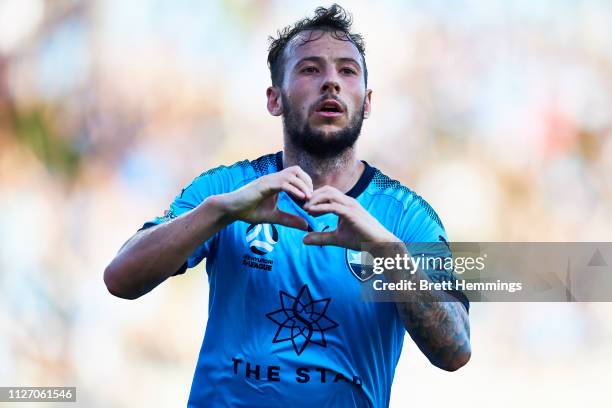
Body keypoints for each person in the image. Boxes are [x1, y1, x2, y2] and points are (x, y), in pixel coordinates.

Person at [104, 4, 471, 407]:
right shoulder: (228, 189)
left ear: (366, 102)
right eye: (311, 69)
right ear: (274, 99)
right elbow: (120, 280)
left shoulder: (405, 217)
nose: (331, 82)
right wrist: (219, 213)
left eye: (347, 71)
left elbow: (455, 351)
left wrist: (389, 254)